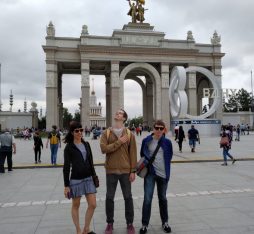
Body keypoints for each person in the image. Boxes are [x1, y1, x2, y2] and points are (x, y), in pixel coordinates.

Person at [100, 109, 137, 234]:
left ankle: (130, 223)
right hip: (111, 170)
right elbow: (103, 149)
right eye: (117, 112)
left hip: (126, 171)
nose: (117, 113)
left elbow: (133, 153)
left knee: (128, 197)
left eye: (120, 113)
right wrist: (119, 142)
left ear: (124, 118)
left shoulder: (129, 134)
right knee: (109, 197)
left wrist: (133, 171)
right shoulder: (107, 132)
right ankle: (109, 223)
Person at [139, 120, 173, 234]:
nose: (158, 130)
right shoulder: (146, 141)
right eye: (157, 128)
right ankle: (144, 225)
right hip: (150, 174)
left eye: (161, 128)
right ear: (153, 128)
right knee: (147, 199)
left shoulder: (167, 142)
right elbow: (142, 155)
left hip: (163, 175)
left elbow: (169, 156)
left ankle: (165, 222)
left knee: (162, 199)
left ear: (164, 130)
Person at [63, 121, 97, 234]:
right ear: (72, 132)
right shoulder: (69, 148)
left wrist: (94, 176)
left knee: (93, 204)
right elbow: (66, 167)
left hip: (88, 178)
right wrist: (66, 185)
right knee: (76, 205)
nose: (79, 132)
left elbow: (91, 162)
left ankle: (86, 229)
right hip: (76, 179)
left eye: (81, 130)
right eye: (77, 131)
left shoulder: (86, 144)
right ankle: (78, 230)